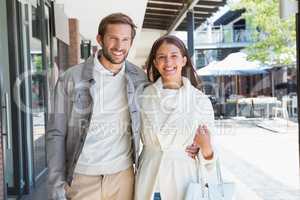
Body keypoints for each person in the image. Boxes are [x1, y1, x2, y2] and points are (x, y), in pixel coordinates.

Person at [46, 13, 198, 200]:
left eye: (125, 39)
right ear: (99, 39)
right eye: (113, 38)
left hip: (123, 178)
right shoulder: (71, 78)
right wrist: (56, 182)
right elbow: (56, 133)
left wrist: (191, 142)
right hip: (82, 177)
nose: (119, 46)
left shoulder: (139, 79)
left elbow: (164, 109)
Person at [135, 35, 216, 200]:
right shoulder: (142, 97)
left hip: (183, 179)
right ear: (156, 63)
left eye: (174, 56)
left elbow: (210, 156)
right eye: (162, 57)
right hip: (151, 178)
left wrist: (205, 146)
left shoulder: (199, 100)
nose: (168, 62)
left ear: (184, 60)